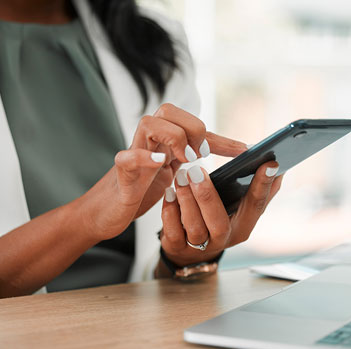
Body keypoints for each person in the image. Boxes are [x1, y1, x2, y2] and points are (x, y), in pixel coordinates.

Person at [0, 0, 283, 298]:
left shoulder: (154, 36)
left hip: (132, 324)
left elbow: (153, 276)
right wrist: (89, 217)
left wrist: (184, 256)